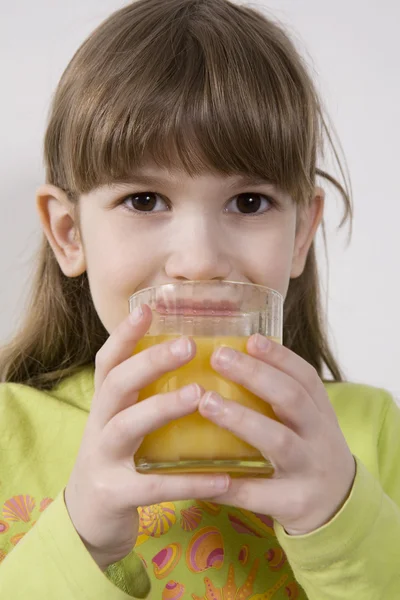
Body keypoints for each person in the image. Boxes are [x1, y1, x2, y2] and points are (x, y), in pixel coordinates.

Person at [1, 0, 399, 598]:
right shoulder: (9, 433)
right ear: (69, 233)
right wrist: (81, 536)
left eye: (248, 203)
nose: (199, 260)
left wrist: (342, 519)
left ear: (300, 234)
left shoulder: (369, 435)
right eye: (143, 200)